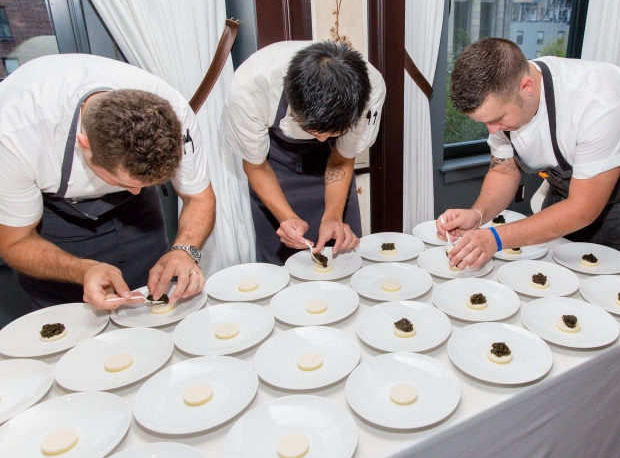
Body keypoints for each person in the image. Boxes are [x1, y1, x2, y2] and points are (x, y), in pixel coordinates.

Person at [0, 54, 215, 312]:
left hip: (139, 220)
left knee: (152, 305)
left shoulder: (175, 113)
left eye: (145, 184)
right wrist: (83, 270)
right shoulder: (13, 135)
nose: (135, 192)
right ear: (84, 144)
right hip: (52, 221)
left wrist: (184, 250)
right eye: (121, 182)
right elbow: (15, 241)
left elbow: (198, 197)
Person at [437, 38, 620, 269]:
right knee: (552, 271)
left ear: (527, 87)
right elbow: (503, 172)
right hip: (567, 189)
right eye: (485, 123)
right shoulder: (505, 101)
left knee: (617, 282)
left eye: (498, 119)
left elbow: (583, 209)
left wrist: (496, 239)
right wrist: (478, 215)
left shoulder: (601, 102)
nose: (492, 130)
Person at [222, 41, 385, 265]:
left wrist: (333, 217)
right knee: (283, 266)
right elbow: (256, 166)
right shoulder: (250, 89)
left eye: (333, 133)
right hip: (274, 166)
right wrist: (286, 218)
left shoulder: (371, 89)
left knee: (343, 258)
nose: (321, 141)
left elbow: (340, 160)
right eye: (313, 131)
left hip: (336, 166)